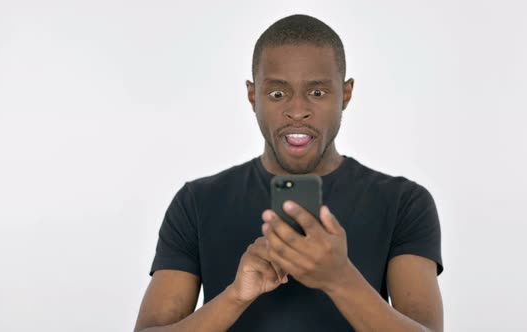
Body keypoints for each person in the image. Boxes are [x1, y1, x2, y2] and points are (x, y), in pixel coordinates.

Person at [134, 14, 444, 332]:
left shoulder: (404, 202)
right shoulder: (197, 202)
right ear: (253, 95)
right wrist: (235, 297)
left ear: (346, 94)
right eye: (278, 94)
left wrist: (340, 280)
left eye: (317, 92)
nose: (297, 111)